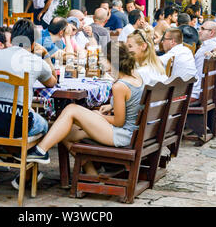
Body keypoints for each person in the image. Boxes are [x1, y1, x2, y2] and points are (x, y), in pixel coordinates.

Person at [17, 41, 144, 176]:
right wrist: (111, 105)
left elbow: (119, 121)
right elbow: (131, 101)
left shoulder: (119, 86)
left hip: (122, 135)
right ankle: (92, 173)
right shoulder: (136, 76)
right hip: (130, 132)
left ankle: (40, 151)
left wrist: (99, 115)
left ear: (110, 61)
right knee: (62, 130)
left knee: (72, 109)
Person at [0, 19, 57, 186]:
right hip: (15, 126)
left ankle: (25, 170)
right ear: (33, 42)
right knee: (44, 124)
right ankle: (27, 172)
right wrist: (45, 54)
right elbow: (52, 82)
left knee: (20, 117)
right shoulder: (35, 61)